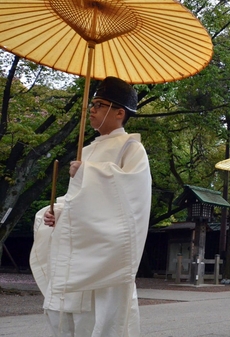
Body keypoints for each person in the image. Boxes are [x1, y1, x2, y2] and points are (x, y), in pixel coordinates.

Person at [29, 76, 152, 337]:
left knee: (100, 318)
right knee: (62, 312)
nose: (92, 110)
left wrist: (89, 173)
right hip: (78, 245)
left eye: (99, 104)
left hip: (105, 254)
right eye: (92, 104)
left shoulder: (132, 147)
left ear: (119, 113)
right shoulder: (88, 149)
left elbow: (133, 197)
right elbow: (73, 199)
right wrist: (58, 212)